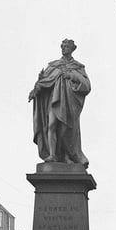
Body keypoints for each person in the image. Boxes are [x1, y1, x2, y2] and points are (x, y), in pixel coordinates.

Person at [28, 38, 91, 166]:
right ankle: (52, 155)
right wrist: (36, 90)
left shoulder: (78, 67)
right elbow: (44, 82)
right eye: (62, 46)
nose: (63, 48)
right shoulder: (53, 66)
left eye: (66, 47)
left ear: (72, 49)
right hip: (54, 100)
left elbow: (87, 85)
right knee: (51, 125)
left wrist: (72, 76)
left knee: (64, 130)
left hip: (68, 103)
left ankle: (67, 156)